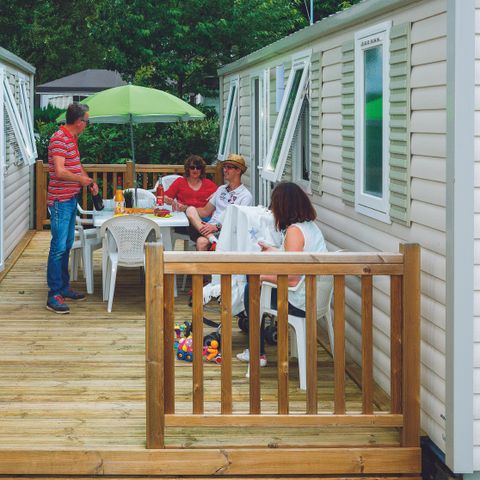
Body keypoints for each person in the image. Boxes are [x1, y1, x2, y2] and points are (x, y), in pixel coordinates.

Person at [236, 181, 328, 367]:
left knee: (251, 285)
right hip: (315, 296)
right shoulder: (310, 227)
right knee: (255, 281)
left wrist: (260, 277)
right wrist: (274, 251)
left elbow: (292, 279)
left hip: (301, 301)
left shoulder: (294, 231)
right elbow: (296, 259)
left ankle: (257, 352)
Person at [46, 103, 98, 314]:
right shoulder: (59, 139)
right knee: (58, 247)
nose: (87, 124)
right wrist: (81, 180)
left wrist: (88, 180)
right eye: (87, 121)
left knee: (66, 245)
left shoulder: (71, 138)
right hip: (60, 200)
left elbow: (75, 165)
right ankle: (53, 294)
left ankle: (63, 288)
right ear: (78, 121)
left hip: (69, 199)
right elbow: (59, 171)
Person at [186, 153, 252, 251]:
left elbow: (238, 222)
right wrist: (184, 209)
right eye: (224, 167)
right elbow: (205, 211)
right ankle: (213, 240)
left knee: (201, 242)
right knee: (190, 209)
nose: (225, 170)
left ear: (238, 170)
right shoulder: (221, 189)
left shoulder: (245, 195)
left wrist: (216, 227)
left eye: (229, 167)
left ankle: (213, 242)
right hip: (210, 229)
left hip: (227, 231)